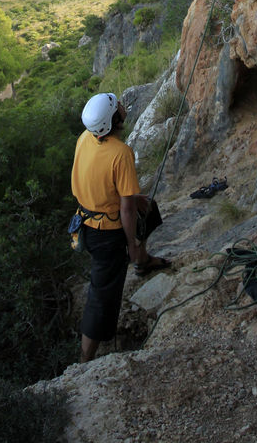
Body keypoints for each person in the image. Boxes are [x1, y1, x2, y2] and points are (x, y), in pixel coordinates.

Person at [71, 91, 171, 363]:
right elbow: (125, 211)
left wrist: (135, 200)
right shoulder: (121, 153)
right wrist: (131, 242)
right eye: (119, 107)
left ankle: (142, 262)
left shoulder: (85, 138)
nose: (124, 107)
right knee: (102, 295)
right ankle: (85, 359)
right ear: (114, 119)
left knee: (147, 208)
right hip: (105, 234)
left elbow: (99, 180)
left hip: (86, 218)